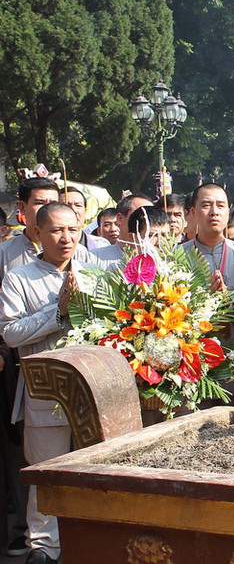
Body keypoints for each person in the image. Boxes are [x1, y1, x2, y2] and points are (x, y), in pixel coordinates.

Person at [0, 202, 94, 564]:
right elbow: (9, 333)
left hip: (92, 390)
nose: (65, 237)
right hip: (45, 392)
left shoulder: (95, 272)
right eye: (56, 230)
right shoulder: (19, 278)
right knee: (47, 473)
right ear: (37, 234)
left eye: (72, 229)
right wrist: (58, 311)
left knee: (93, 469)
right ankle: (43, 548)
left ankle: (90, 543)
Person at [181, 184, 234, 305]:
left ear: (228, 212)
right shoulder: (175, 256)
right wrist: (202, 299)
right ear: (194, 212)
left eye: (220, 206)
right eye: (206, 205)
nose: (214, 212)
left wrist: (229, 299)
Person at [90, 193, 153, 266]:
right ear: (120, 218)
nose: (147, 222)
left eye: (151, 216)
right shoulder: (94, 258)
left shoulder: (162, 260)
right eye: (140, 215)